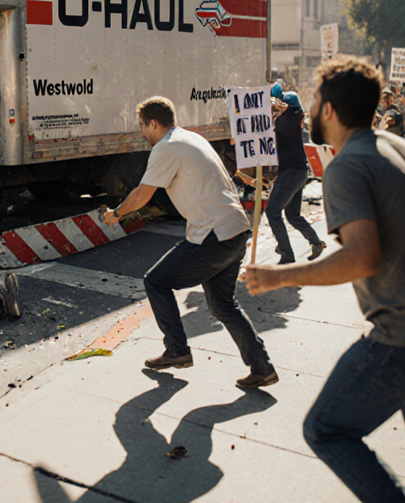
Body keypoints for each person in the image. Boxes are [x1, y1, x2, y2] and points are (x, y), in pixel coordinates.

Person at [244, 56, 405, 503]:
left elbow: (361, 257)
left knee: (326, 428)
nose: (311, 109)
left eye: (314, 100)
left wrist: (280, 276)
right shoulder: (402, 148)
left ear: (329, 110)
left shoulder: (347, 166)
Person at [103, 96, 278, 388]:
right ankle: (262, 367)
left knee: (156, 281)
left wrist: (117, 214)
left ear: (154, 123)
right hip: (233, 230)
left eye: (142, 127)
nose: (142, 133)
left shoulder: (166, 147)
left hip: (213, 234)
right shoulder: (190, 138)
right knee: (224, 305)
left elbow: (142, 194)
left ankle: (177, 351)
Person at [239, 89, 326, 264]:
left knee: (272, 212)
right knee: (292, 214)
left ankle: (287, 254)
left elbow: (290, 115)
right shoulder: (288, 121)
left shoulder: (290, 119)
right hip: (296, 171)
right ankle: (315, 242)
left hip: (293, 172)